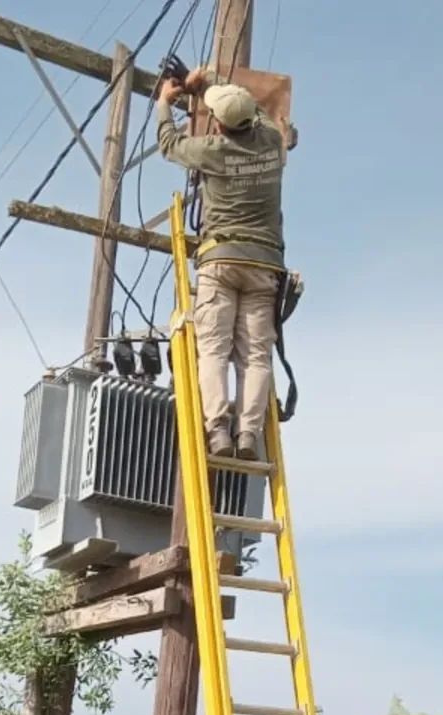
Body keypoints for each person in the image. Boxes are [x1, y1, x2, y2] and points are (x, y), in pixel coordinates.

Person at [156, 66, 290, 461]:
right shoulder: (271, 141)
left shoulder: (213, 151)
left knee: (213, 350)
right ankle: (248, 433)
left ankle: (218, 429)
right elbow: (255, 111)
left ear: (216, 123)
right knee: (255, 356)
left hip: (220, 261)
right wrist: (211, 83)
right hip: (265, 265)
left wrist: (167, 101)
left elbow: (168, 144)